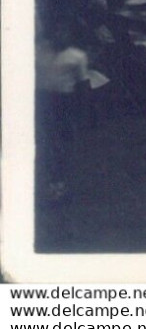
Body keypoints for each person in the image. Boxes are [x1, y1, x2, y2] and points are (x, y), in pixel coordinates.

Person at [36, 18, 91, 204]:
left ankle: (58, 184)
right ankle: (46, 183)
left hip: (63, 103)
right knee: (44, 142)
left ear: (69, 35)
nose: (60, 36)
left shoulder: (77, 56)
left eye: (64, 32)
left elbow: (83, 86)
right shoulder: (39, 50)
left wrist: (83, 112)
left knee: (60, 143)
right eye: (57, 32)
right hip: (43, 100)